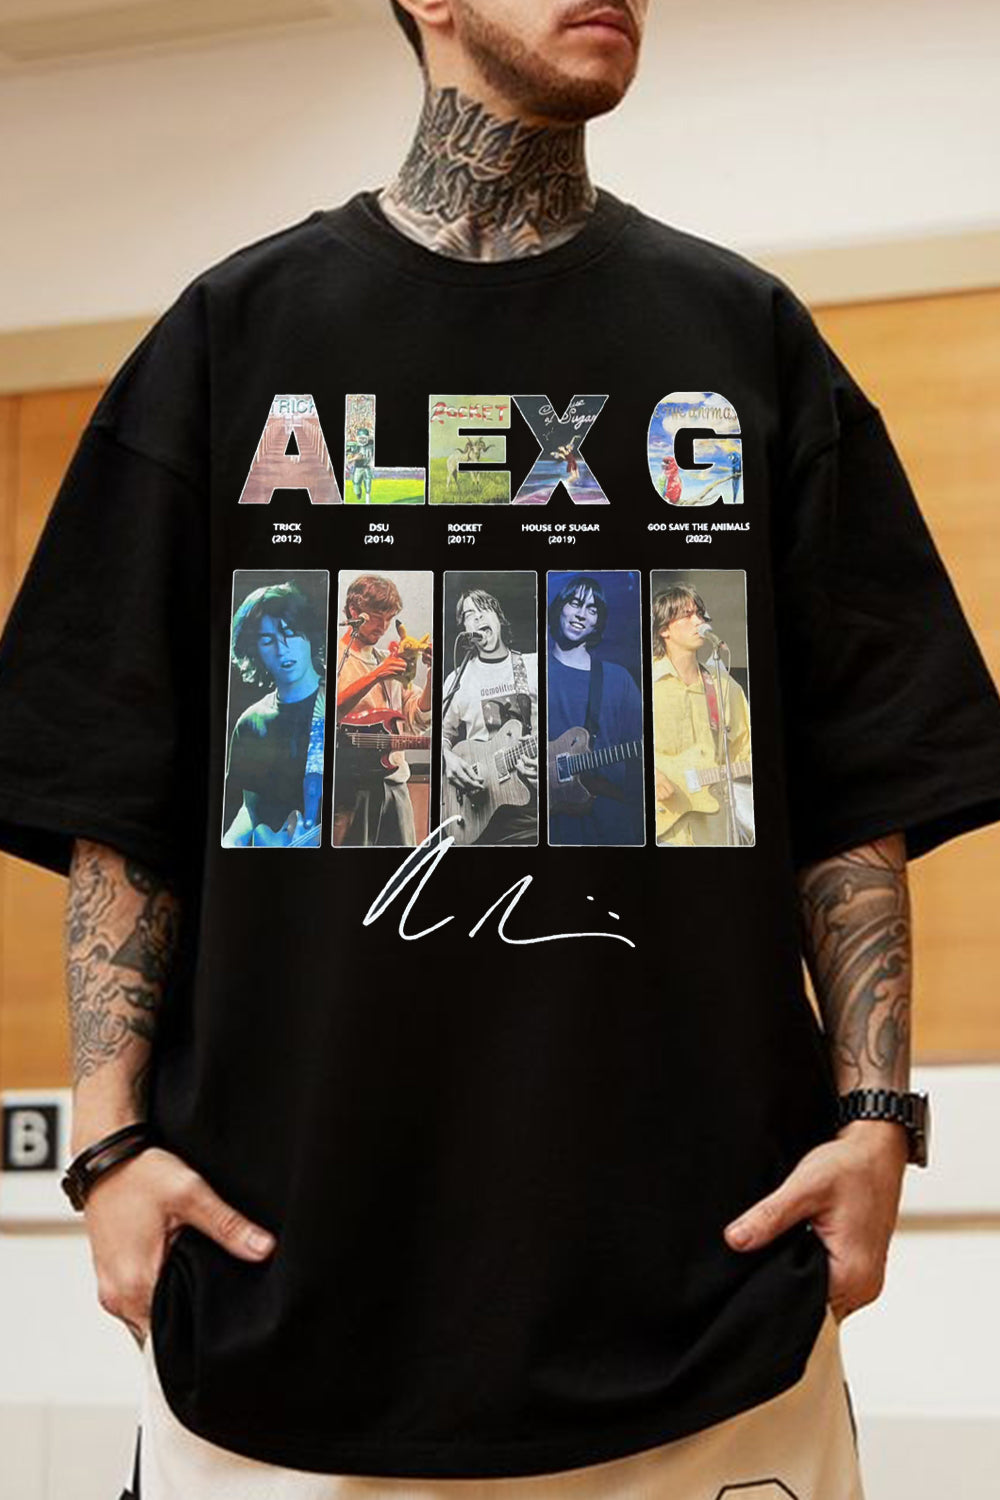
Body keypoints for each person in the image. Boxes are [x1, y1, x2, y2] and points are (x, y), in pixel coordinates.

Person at [0, 2, 997, 1497]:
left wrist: (876, 1121)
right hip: (279, 1315)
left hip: (711, 1315)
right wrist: (105, 1149)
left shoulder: (741, 337)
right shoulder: (232, 339)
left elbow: (864, 780)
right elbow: (115, 786)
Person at [222, 580, 327, 849]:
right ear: (254, 649)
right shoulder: (251, 722)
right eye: (268, 641)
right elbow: (251, 809)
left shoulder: (339, 705)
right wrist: (231, 842)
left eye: (290, 633)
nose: (282, 650)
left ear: (309, 635)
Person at [332, 572, 433, 847]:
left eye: (389, 618)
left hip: (396, 783)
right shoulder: (334, 657)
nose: (384, 626)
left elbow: (415, 719)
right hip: (354, 789)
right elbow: (328, 712)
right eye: (377, 616)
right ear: (355, 611)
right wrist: (376, 675)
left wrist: (432, 675)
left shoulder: (386, 659)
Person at [651, 582, 753, 848]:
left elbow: (745, 751)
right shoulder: (642, 684)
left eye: (700, 614)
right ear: (663, 629)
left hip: (714, 831)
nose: (699, 621)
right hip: (662, 829)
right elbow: (614, 745)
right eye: (687, 615)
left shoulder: (724, 686)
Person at [547, 573, 643, 846]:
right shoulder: (534, 671)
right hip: (550, 820)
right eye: (575, 603)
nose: (581, 615)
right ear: (559, 607)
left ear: (597, 622)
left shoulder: (618, 678)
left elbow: (642, 748)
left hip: (609, 819)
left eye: (592, 609)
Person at [441, 585, 538, 845]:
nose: (478, 617)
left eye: (485, 609)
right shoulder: (457, 679)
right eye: (469, 614)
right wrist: (447, 758)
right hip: (476, 805)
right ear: (465, 629)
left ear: (499, 618)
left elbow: (562, 723)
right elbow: (441, 735)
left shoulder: (533, 666)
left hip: (529, 809)